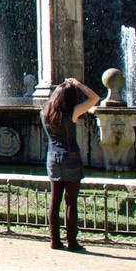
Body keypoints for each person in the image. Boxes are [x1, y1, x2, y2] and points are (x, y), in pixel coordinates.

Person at [41, 77, 100, 251]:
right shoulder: (73, 112)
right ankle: (72, 241)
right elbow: (95, 98)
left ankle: (54, 240)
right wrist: (78, 84)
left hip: (53, 158)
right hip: (70, 158)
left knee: (55, 200)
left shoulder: (44, 114)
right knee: (71, 201)